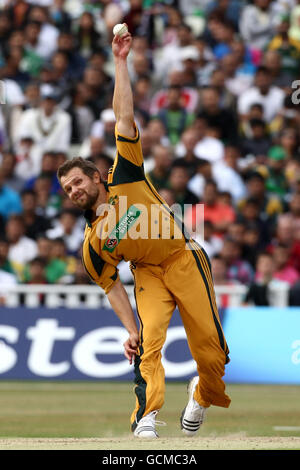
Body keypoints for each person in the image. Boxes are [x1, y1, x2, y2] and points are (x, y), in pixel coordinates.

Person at [57, 31, 230, 439]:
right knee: (148, 342)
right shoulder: (93, 245)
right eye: (67, 189)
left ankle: (201, 395)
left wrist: (120, 61)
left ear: (96, 177)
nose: (74, 190)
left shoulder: (127, 173)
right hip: (149, 275)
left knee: (212, 353)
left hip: (185, 258)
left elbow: (123, 117)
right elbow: (112, 287)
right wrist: (130, 328)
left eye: (78, 181)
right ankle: (146, 416)